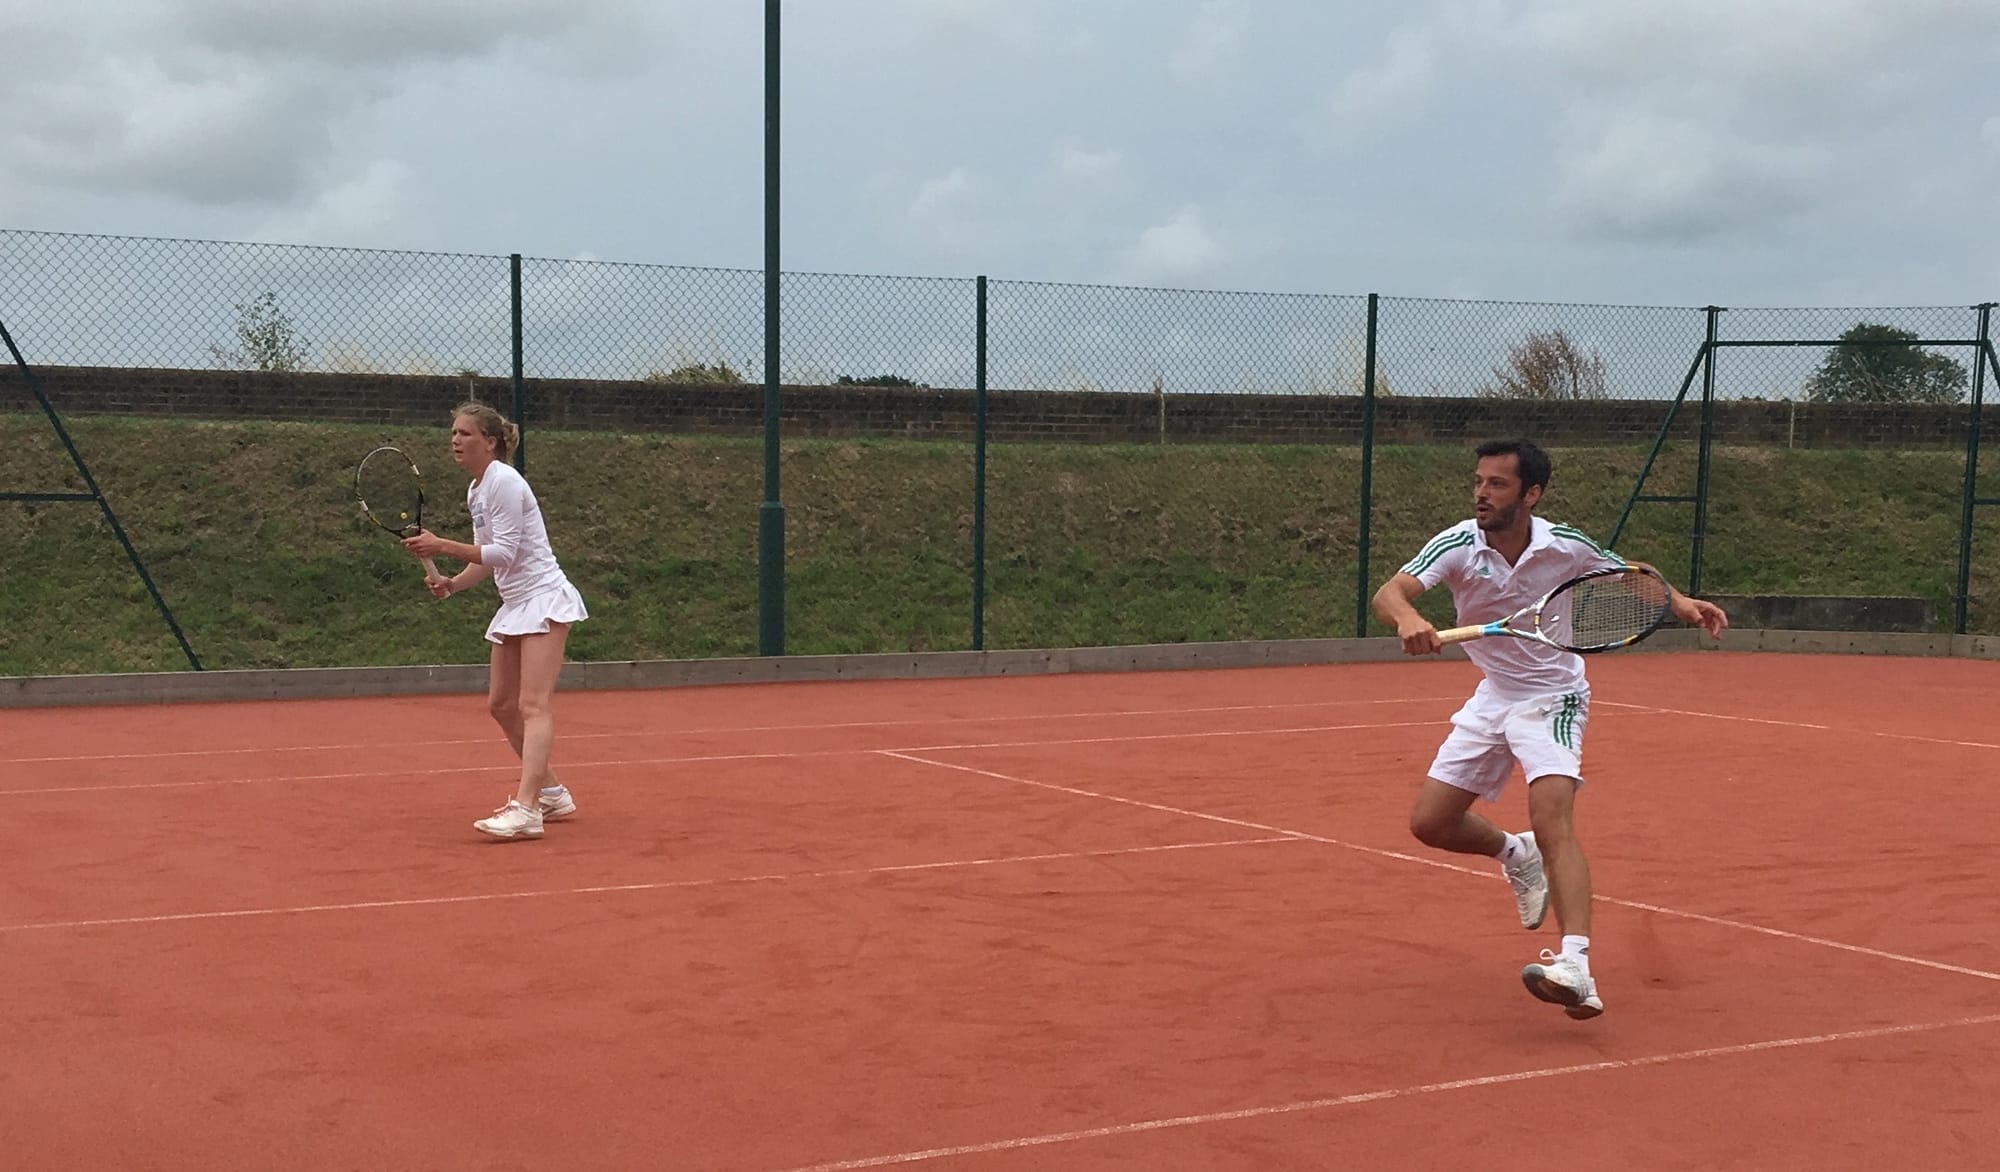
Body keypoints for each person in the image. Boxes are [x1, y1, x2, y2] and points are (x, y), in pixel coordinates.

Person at [1371, 437, 1726, 1020]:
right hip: (1494, 697)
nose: (1482, 493)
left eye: (1498, 484)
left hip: (1553, 697)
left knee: (1552, 816)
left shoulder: (1564, 545)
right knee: (1430, 823)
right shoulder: (1460, 542)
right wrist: (1409, 618)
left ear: (1531, 493)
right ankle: (1517, 854)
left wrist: (1681, 603)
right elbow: (1393, 592)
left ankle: (1576, 967)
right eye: (1479, 482)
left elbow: (1630, 574)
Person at [403, 403, 589, 842]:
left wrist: (442, 545)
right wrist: (453, 584)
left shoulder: (505, 482)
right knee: (501, 704)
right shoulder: (477, 490)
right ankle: (553, 793)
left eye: (465, 433)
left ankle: (527, 810)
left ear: (491, 441)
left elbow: (504, 553)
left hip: (545, 599)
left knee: (532, 705)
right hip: (515, 602)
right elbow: (487, 558)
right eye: (452, 432)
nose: (455, 440)